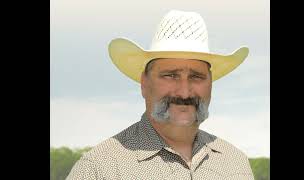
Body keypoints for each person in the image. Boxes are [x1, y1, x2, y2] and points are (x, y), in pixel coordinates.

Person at [67, 10, 254, 179]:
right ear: (144, 83)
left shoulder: (236, 166)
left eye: (196, 77)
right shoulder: (99, 169)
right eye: (171, 75)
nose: (184, 91)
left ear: (210, 84)